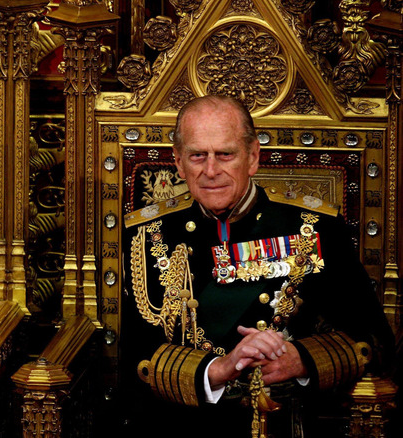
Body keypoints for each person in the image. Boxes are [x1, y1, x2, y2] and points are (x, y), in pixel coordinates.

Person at [120, 95, 394, 437]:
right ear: (178, 162)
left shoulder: (314, 228)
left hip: (283, 421)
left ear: (252, 157)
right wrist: (217, 370)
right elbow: (133, 357)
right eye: (197, 156)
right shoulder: (148, 235)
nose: (210, 171)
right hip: (181, 422)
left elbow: (374, 342)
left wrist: (303, 359)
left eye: (225, 155)